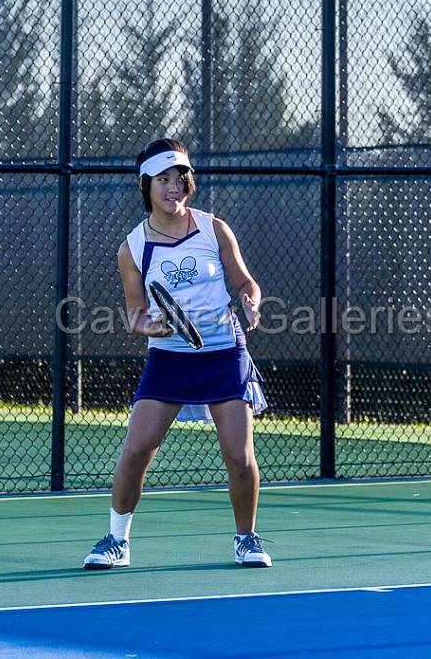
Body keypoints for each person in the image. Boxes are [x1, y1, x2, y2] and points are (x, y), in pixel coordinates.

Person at [83, 138, 272, 569]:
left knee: (239, 457)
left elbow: (245, 282)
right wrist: (153, 325)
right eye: (163, 179)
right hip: (168, 359)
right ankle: (116, 541)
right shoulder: (132, 248)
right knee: (136, 451)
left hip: (224, 353)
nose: (173, 187)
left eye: (180, 177)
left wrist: (250, 301)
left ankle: (247, 539)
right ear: (145, 184)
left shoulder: (214, 228)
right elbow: (134, 314)